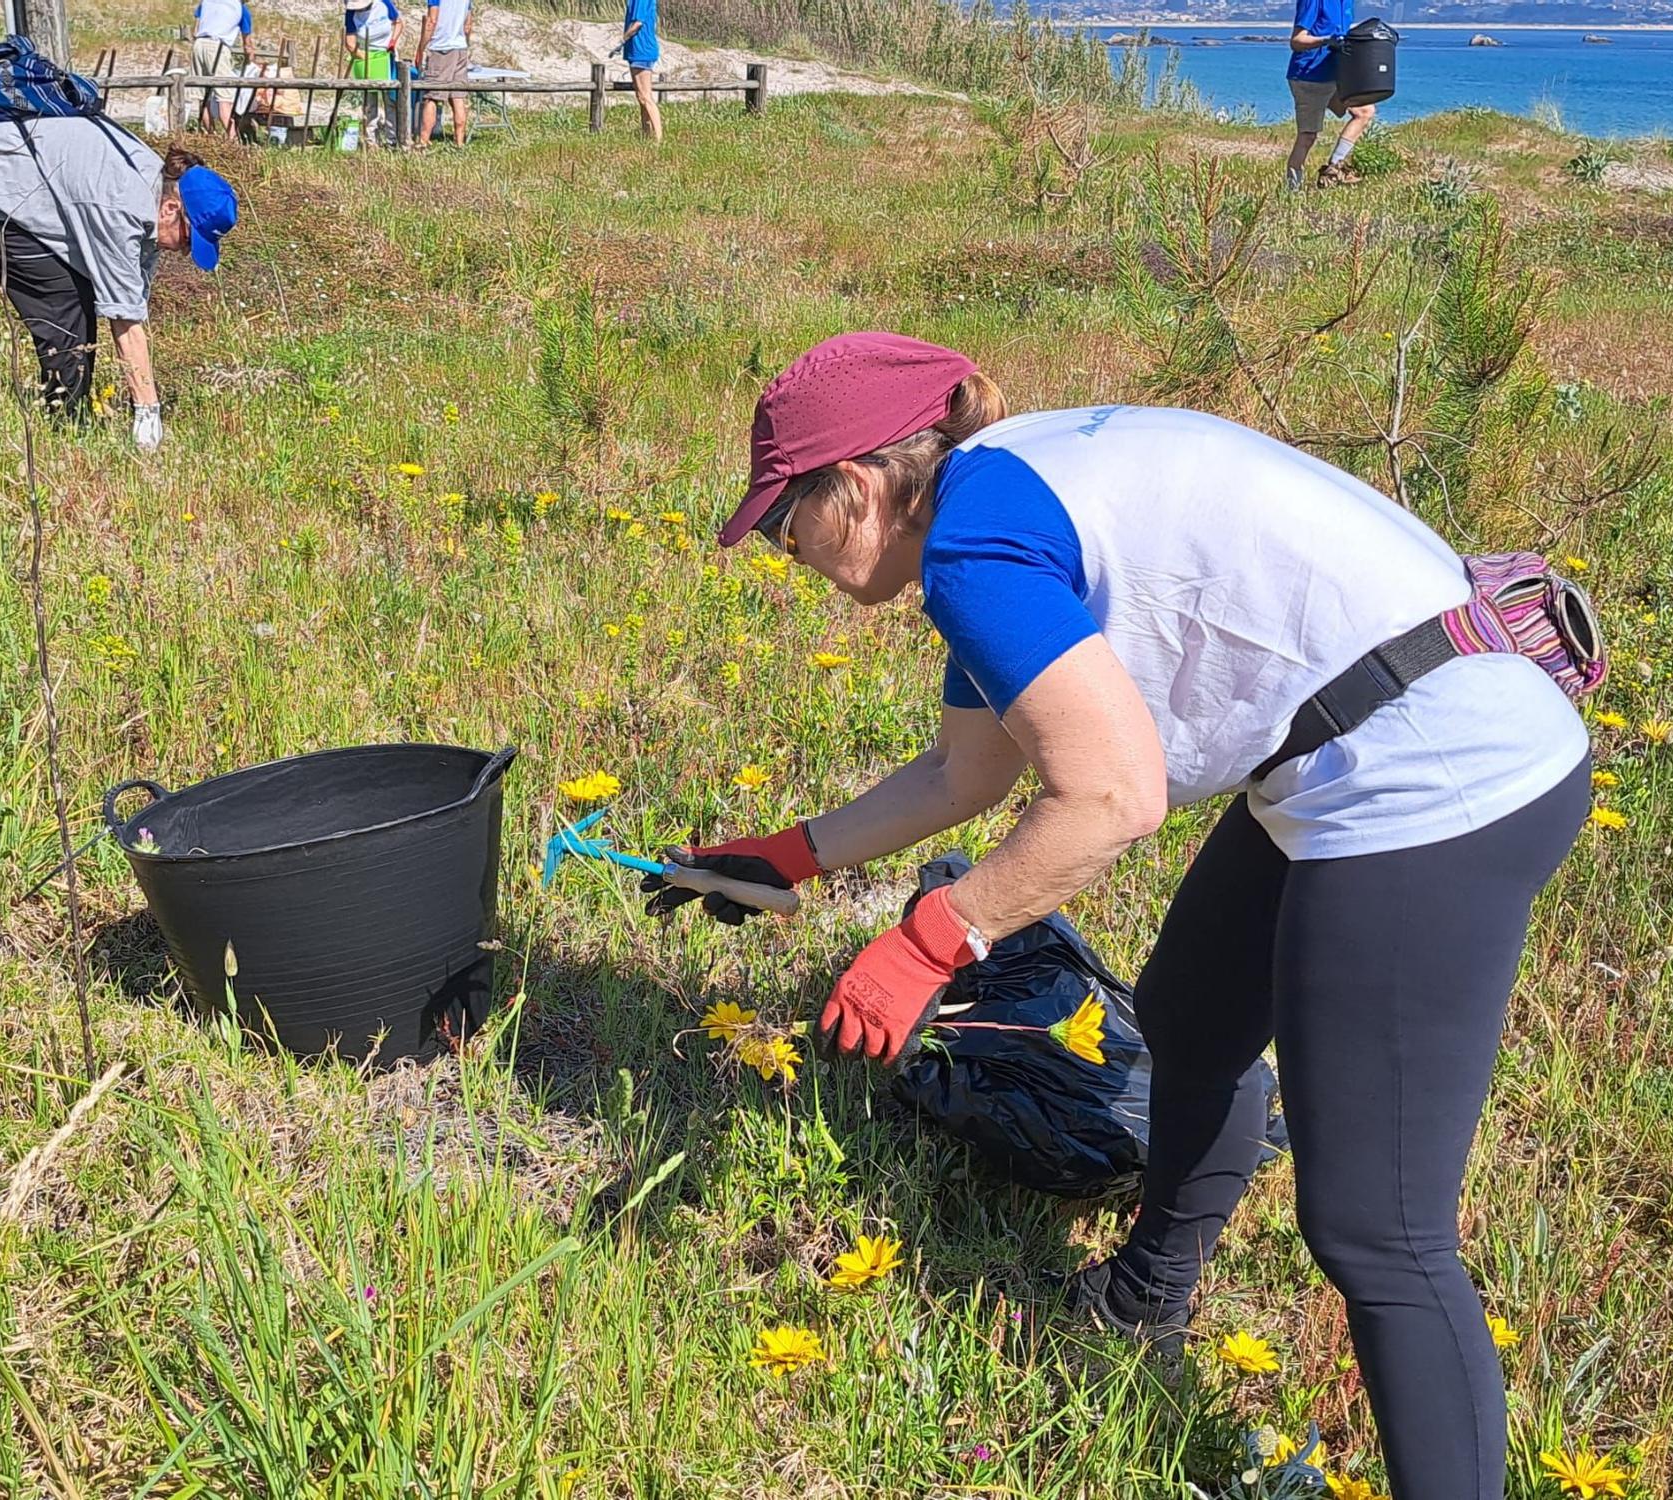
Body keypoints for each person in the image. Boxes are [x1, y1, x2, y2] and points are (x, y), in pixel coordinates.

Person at [647, 332, 1593, 1500]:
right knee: (1192, 1020)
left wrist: (929, 943)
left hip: (1436, 782)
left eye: (787, 526)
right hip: (1357, 744)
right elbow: (964, 777)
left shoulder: (975, 548)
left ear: (854, 487)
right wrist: (784, 856)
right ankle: (1145, 1295)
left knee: (1375, 1231)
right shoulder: (991, 493)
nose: (789, 558)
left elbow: (1110, 798)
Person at [0, 116, 238, 449]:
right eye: (188, 239)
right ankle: (66, 430)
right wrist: (147, 411)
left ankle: (69, 410)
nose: (186, 252)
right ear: (172, 209)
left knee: (78, 280)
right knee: (64, 295)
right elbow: (124, 316)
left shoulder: (156, 186)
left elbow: (133, 286)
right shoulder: (120, 204)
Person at [1287, 0, 1376, 188]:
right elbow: (1296, 41)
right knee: (1308, 135)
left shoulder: (1347, 3)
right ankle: (1291, 191)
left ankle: (1333, 169)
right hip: (1309, 76)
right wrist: (1326, 40)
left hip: (1335, 74)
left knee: (1364, 112)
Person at [414, 0, 473, 146]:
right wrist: (465, 44)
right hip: (460, 47)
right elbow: (468, 25)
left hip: (441, 48)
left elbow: (432, 21)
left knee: (432, 97)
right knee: (458, 96)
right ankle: (459, 142)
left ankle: (423, 141)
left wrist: (421, 48)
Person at [344, 0, 403, 145]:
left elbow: (398, 22)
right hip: (365, 57)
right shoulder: (351, 13)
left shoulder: (384, 4)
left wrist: (393, 41)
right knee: (369, 101)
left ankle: (392, 139)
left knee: (390, 99)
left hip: (386, 54)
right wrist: (365, 56)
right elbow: (350, 43)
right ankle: (370, 140)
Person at [193, 0, 253, 140]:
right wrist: (250, 61)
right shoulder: (241, 9)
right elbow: (247, 44)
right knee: (224, 97)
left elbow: (195, 30)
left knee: (203, 96)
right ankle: (233, 141)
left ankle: (210, 136)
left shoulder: (207, 2)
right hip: (218, 47)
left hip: (199, 44)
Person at [610, 0, 662, 144]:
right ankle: (646, 136)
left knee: (646, 97)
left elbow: (638, 23)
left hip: (642, 50)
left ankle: (658, 140)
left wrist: (621, 41)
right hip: (637, 51)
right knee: (641, 97)